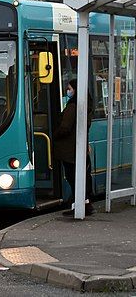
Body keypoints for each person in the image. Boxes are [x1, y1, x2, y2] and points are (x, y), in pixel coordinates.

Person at [54, 79, 94, 216]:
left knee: (73, 177)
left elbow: (65, 127)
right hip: (78, 147)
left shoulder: (72, 106)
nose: (68, 91)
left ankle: (80, 207)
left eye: (69, 88)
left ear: (76, 90)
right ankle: (85, 205)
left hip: (69, 149)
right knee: (82, 176)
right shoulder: (86, 105)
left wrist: (55, 135)